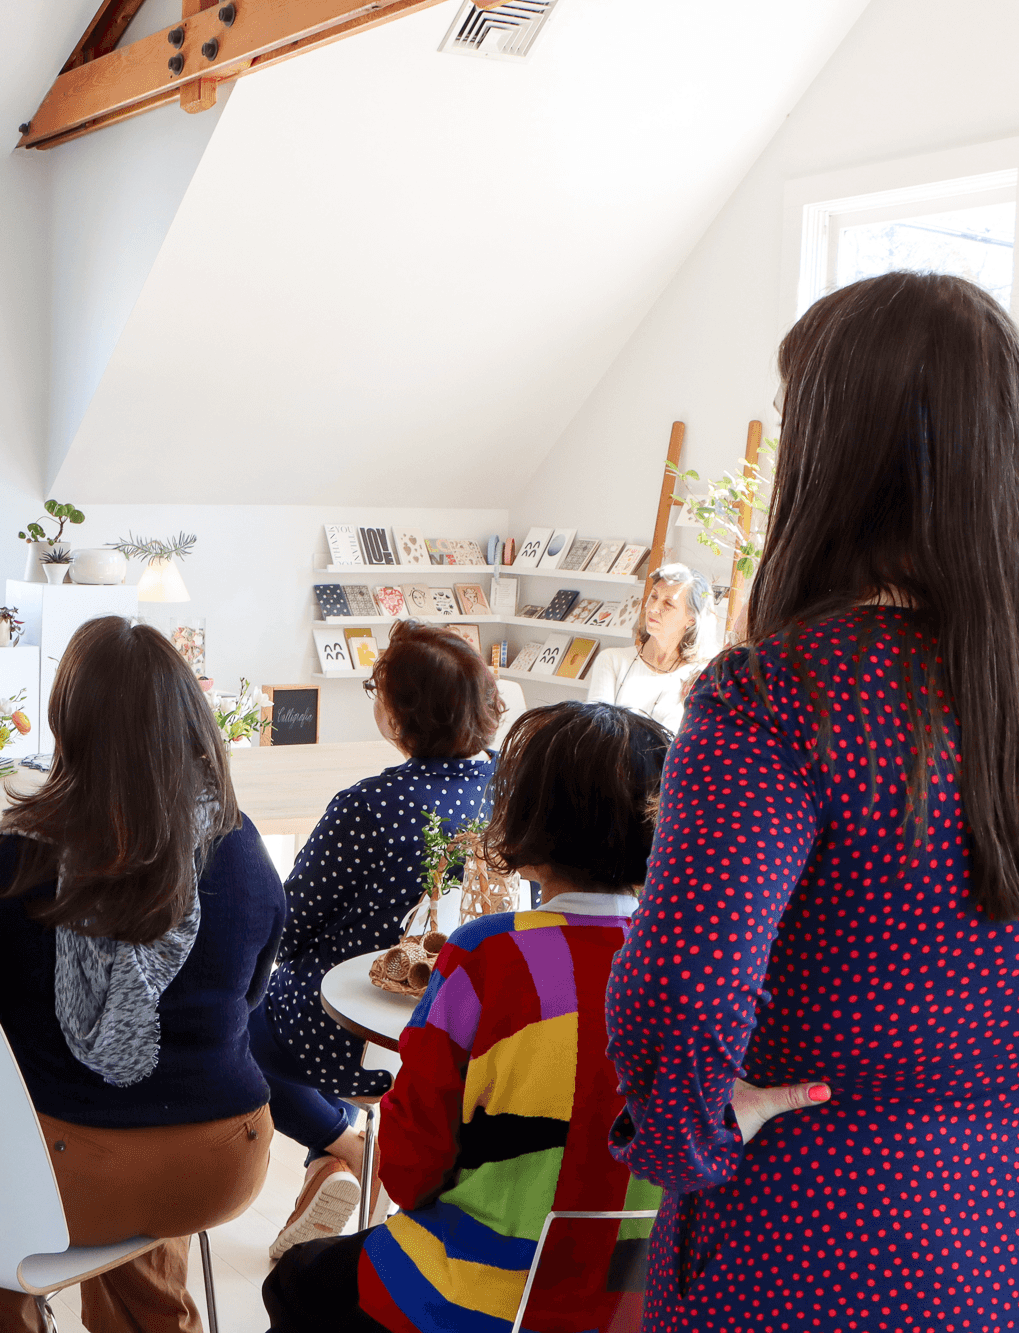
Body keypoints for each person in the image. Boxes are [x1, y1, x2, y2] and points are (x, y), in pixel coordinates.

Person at [605, 270, 1019, 1330]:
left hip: (812, 1228)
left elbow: (679, 990)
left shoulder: (778, 693)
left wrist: (689, 1129)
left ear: (834, 456)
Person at [264, 701, 670, 1332]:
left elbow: (409, 1168)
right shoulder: (703, 964)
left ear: (527, 825)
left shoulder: (489, 954)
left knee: (295, 1282)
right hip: (638, 1302)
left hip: (473, 1292)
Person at [0, 616, 284, 1333]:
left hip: (77, 1165)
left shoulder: (18, 856)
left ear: (71, 724)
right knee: (142, 1189)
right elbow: (249, 998)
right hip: (225, 1156)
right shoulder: (241, 844)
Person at [251, 621, 501, 1259]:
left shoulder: (368, 804)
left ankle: (351, 1150)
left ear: (401, 713)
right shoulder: (506, 790)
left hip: (349, 1022)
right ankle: (327, 1170)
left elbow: (290, 921)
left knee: (231, 1026)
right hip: (457, 1031)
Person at [584, 562, 718, 732]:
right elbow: (597, 732)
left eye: (668, 604)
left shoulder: (698, 676)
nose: (654, 608)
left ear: (691, 618)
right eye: (654, 597)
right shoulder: (611, 660)